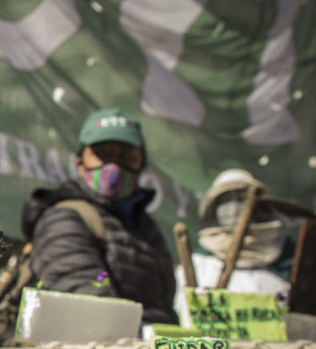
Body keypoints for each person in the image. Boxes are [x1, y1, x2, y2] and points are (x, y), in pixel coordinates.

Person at [19, 107, 178, 326]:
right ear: (80, 163)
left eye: (126, 156)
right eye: (102, 155)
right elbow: (88, 304)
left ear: (141, 165)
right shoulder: (65, 219)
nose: (113, 166)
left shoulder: (147, 228)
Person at [174, 168, 314, 325]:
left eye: (241, 198)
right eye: (227, 200)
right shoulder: (197, 264)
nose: (234, 206)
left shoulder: (288, 258)